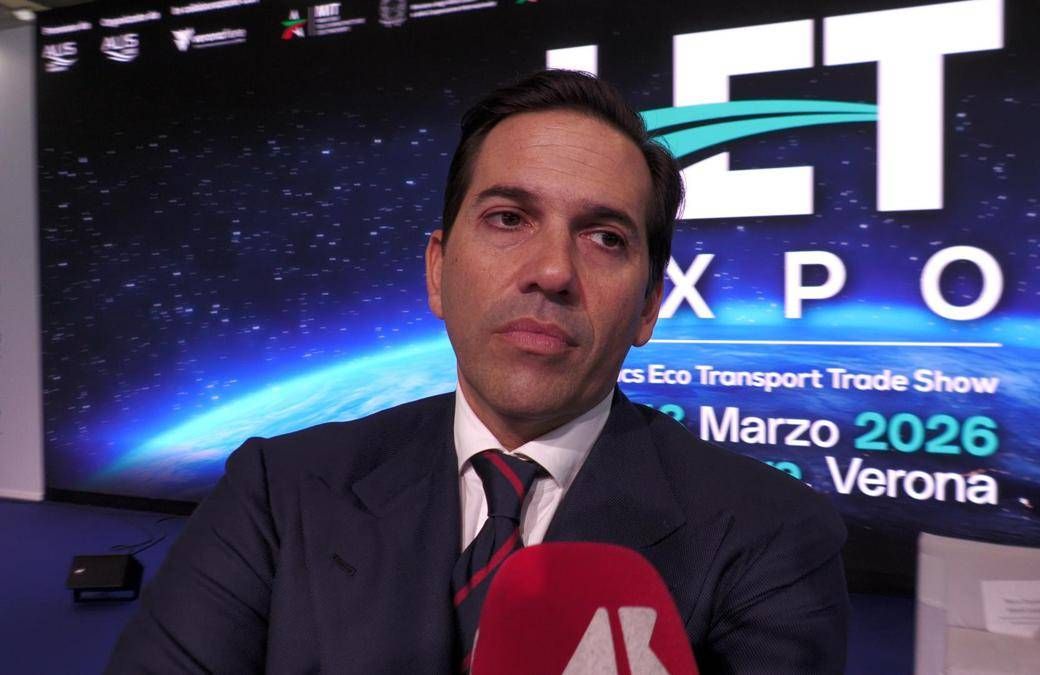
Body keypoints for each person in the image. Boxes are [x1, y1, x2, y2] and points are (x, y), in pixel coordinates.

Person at [106, 70, 849, 674]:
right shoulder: (278, 491)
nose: (553, 271)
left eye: (604, 237)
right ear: (438, 270)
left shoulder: (774, 534)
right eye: (508, 218)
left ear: (649, 307)